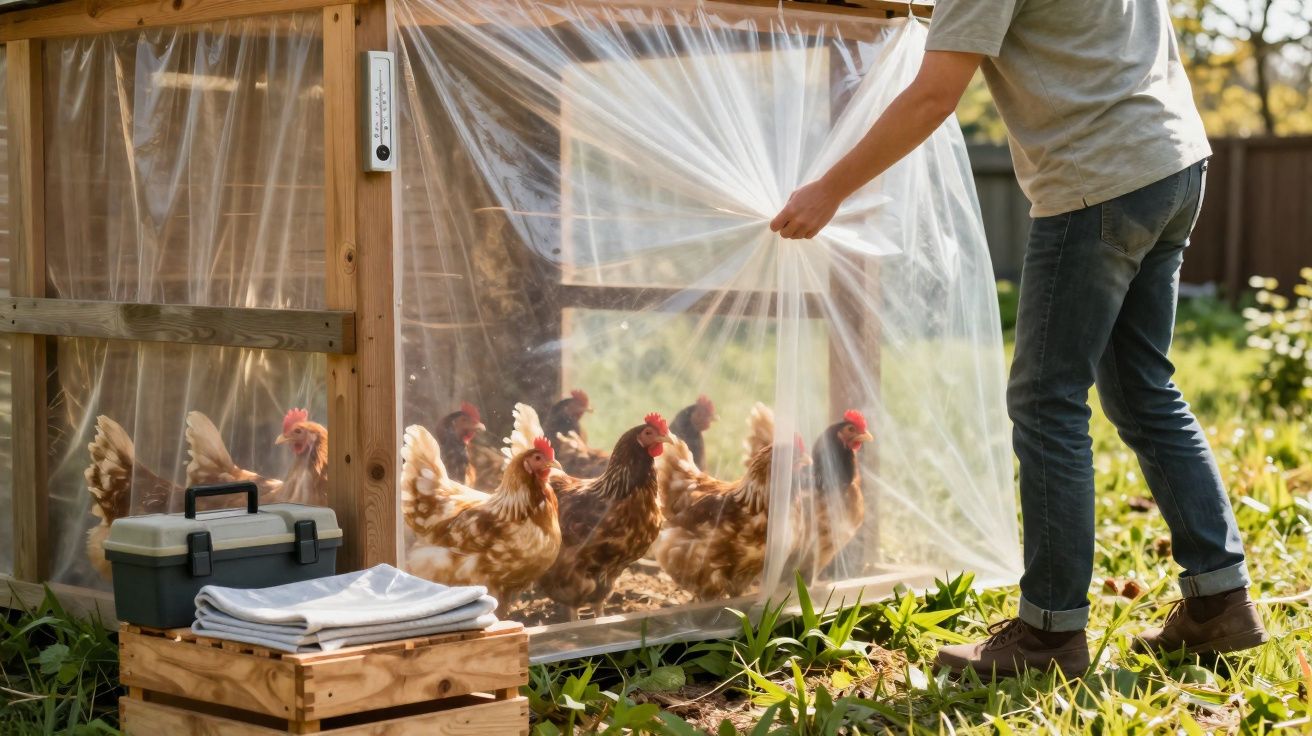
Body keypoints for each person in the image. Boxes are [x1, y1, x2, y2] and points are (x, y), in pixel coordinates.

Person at [771, 0, 1268, 678]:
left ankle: (1049, 634)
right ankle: (1220, 602)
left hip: (1098, 181)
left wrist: (828, 189)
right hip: (1172, 159)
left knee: (1046, 402)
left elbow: (934, 96)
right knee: (1143, 390)